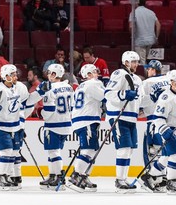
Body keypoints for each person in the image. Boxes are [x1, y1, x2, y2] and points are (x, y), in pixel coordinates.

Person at [0, 64, 48, 191]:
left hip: (15, 125)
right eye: (13, 74)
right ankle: (1, 177)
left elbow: (28, 101)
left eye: (15, 74)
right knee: (6, 152)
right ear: (5, 76)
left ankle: (8, 177)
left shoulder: (18, 88)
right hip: (1, 125)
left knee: (13, 152)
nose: (16, 76)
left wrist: (40, 92)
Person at [104, 51, 143, 193]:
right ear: (126, 62)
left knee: (130, 150)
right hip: (119, 117)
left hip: (131, 117)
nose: (136, 64)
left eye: (137, 61)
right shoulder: (119, 74)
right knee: (124, 149)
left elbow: (140, 99)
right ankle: (119, 181)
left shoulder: (137, 79)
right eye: (133, 61)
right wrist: (124, 94)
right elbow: (108, 93)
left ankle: (124, 178)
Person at [68, 64, 104, 193]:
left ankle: (84, 175)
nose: (97, 74)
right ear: (88, 75)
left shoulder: (80, 87)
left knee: (92, 150)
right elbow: (104, 97)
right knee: (89, 151)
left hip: (83, 120)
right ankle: (76, 176)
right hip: (86, 120)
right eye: (94, 72)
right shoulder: (93, 83)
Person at [140, 70, 176, 195]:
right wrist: (166, 132)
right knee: (174, 155)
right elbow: (158, 117)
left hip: (173, 129)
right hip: (167, 130)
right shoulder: (166, 98)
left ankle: (149, 176)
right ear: (171, 83)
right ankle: (172, 182)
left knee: (165, 157)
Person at [38, 63, 73, 191]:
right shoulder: (68, 87)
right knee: (53, 152)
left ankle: (59, 177)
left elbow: (48, 111)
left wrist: (40, 113)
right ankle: (52, 175)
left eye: (49, 73)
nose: (47, 75)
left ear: (54, 74)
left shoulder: (50, 89)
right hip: (66, 123)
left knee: (53, 152)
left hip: (53, 124)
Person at [140, 60, 170, 169]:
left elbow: (141, 102)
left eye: (148, 69)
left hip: (154, 121)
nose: (147, 71)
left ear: (153, 70)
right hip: (169, 121)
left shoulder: (147, 82)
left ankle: (154, 175)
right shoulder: (169, 80)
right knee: (168, 149)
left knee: (153, 150)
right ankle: (166, 175)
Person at [129, 0, 161, 65]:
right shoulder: (151, 12)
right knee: (144, 58)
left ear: (137, 2)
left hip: (139, 41)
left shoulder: (134, 13)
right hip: (150, 40)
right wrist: (156, 37)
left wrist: (132, 36)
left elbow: (131, 27)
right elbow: (158, 25)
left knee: (142, 62)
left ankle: (145, 75)